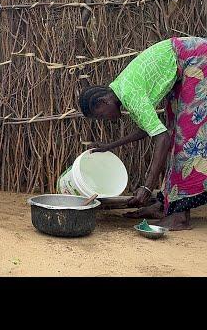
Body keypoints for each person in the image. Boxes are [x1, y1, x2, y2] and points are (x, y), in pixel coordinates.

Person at [78, 36, 207, 230]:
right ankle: (166, 206)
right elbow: (147, 130)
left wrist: (147, 187)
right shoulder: (121, 89)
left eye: (101, 116)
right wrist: (109, 146)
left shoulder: (129, 94)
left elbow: (160, 138)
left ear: (103, 102)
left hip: (196, 58)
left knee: (185, 137)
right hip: (183, 65)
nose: (106, 120)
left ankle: (180, 216)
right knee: (174, 131)